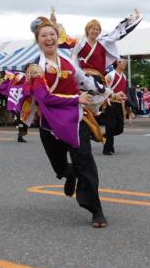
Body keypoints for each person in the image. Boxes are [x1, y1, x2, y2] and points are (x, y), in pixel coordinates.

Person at [28, 16, 120, 228]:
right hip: (50, 126)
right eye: (44, 35)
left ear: (57, 37)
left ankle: (95, 209)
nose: (49, 38)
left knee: (85, 163)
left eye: (52, 34)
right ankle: (69, 175)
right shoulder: (35, 68)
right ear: (37, 40)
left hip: (75, 121)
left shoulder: (69, 62)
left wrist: (110, 94)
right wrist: (76, 99)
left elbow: (86, 82)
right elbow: (45, 99)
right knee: (61, 169)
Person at [102, 59, 128, 155]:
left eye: (126, 63)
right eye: (123, 62)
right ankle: (107, 149)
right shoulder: (110, 75)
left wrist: (125, 99)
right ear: (117, 62)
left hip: (119, 104)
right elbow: (105, 90)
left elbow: (124, 91)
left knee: (119, 128)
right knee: (110, 126)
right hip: (110, 103)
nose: (125, 64)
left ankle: (105, 136)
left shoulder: (124, 77)